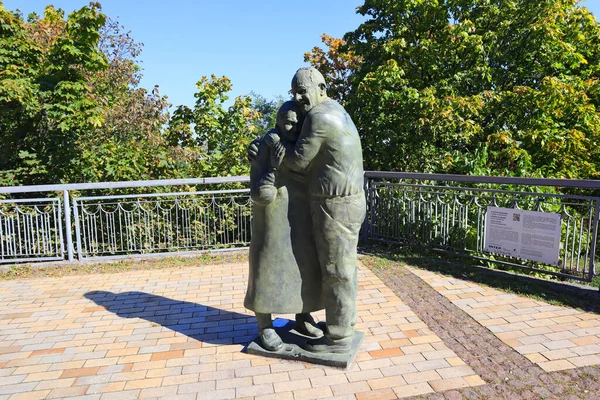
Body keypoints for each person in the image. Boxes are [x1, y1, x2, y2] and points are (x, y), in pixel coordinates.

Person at [267, 67, 366, 353]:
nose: (299, 98)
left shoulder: (319, 117)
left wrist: (272, 146)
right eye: (294, 93)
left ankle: (338, 339)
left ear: (321, 88)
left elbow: (298, 161)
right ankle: (344, 323)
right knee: (345, 267)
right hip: (345, 201)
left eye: (303, 91)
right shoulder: (336, 109)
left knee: (337, 269)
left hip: (335, 204)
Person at [244, 101, 324, 352]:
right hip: (272, 221)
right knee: (267, 267)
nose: (291, 127)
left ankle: (303, 317)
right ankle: (264, 325)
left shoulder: (306, 144)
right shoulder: (265, 147)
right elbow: (260, 194)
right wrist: (274, 169)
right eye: (285, 121)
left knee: (306, 267)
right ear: (277, 121)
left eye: (296, 122)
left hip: (301, 218)